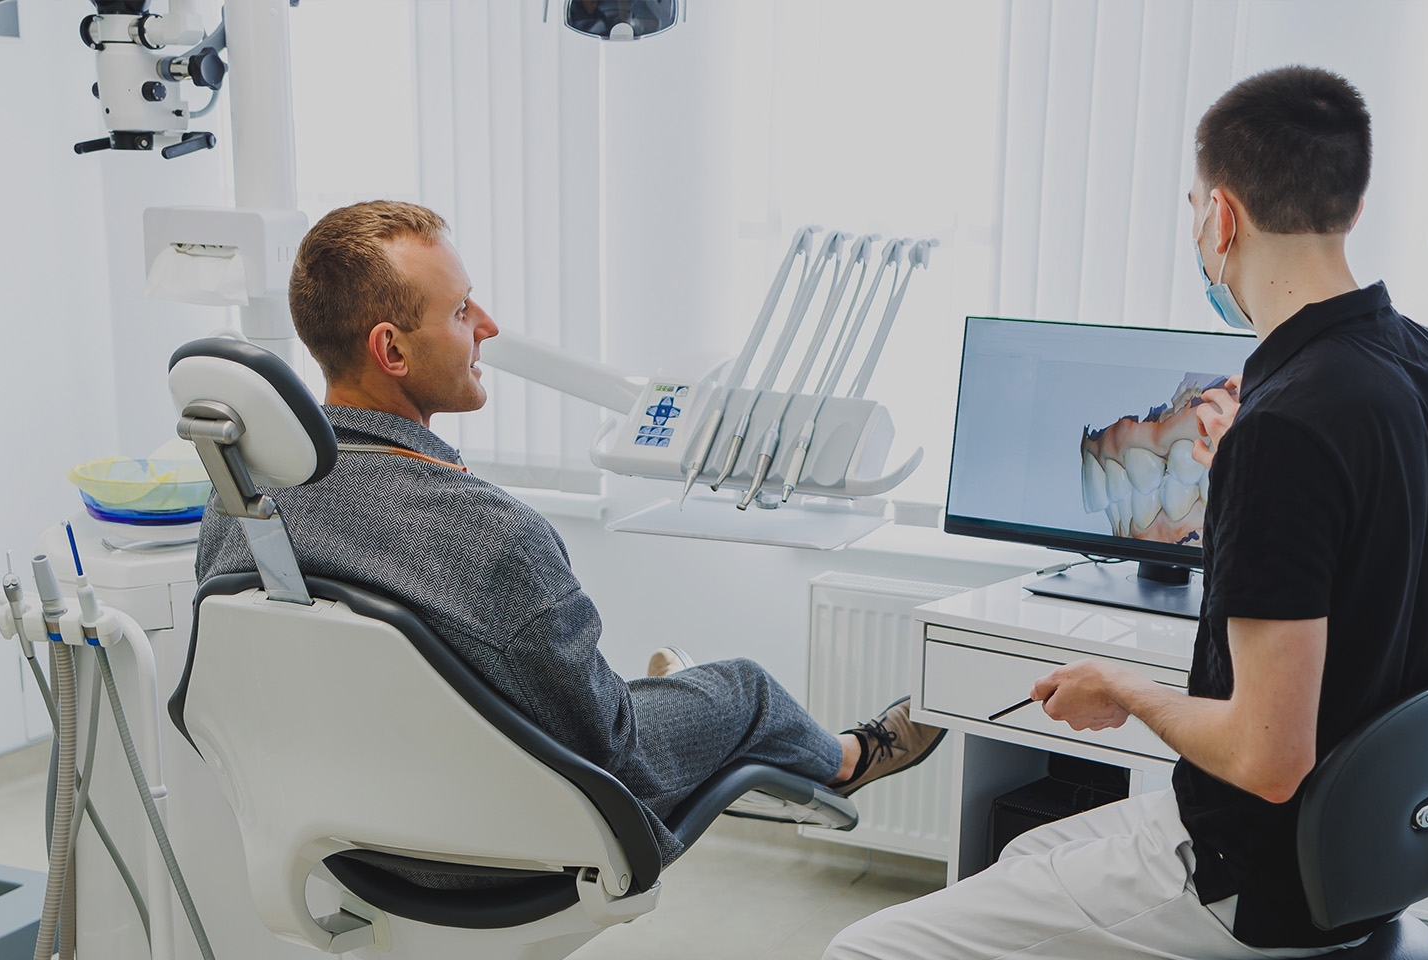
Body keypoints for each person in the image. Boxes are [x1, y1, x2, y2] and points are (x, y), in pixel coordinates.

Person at [824, 65, 1428, 960]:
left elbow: (1268, 758)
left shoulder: (1282, 425)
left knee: (862, 951)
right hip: (1364, 854)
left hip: (1247, 877)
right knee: (1025, 851)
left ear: (1222, 217)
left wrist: (1127, 691)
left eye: (1193, 211)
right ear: (1352, 204)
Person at [195, 200, 945, 870]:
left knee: (619, 685)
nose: (487, 326)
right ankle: (846, 758)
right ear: (391, 351)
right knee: (741, 687)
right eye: (460, 312)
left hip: (339, 839)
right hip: (493, 848)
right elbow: (613, 756)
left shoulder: (238, 498)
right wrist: (673, 707)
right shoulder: (492, 536)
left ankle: (660, 685)